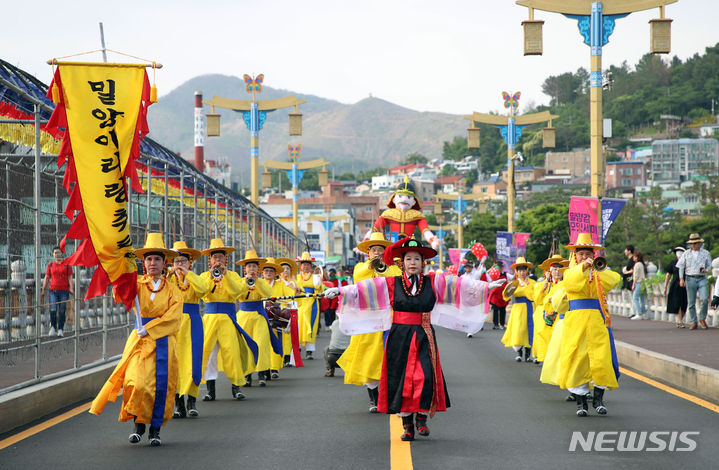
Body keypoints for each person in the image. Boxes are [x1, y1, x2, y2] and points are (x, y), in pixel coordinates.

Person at [326, 238, 505, 441]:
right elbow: (365, 289)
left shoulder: (433, 281)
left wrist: (486, 287)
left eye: (417, 259)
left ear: (423, 263)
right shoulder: (391, 283)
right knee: (402, 380)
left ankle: (421, 419)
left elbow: (458, 285)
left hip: (423, 334)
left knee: (425, 376)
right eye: (408, 258)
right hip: (399, 336)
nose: (413, 262)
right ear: (401, 263)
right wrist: (340, 291)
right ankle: (407, 425)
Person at [89, 233, 182, 446]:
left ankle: (155, 430)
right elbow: (120, 296)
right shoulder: (137, 283)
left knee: (159, 386)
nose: (152, 263)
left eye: (157, 259)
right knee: (137, 382)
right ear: (143, 262)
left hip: (163, 342)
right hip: (139, 341)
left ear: (164, 262)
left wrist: (149, 327)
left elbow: (174, 318)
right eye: (149, 259)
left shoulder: (173, 290)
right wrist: (122, 277)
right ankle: (138, 425)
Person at [336, 232, 401, 413]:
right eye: (374, 250)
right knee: (368, 359)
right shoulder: (360, 267)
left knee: (390, 357)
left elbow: (395, 281)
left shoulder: (394, 268)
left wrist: (384, 266)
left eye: (381, 250)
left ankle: (387, 396)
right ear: (368, 253)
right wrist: (374, 266)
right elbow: (360, 277)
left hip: (389, 318)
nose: (378, 253)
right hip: (367, 320)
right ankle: (373, 398)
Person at [558, 233, 621, 417]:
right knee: (578, 360)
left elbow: (614, 279)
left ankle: (599, 400)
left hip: (596, 320)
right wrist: (582, 269)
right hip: (576, 321)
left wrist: (596, 269)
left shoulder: (598, 272)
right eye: (581, 254)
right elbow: (570, 284)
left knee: (600, 358)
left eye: (588, 254)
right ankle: (581, 403)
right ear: (574, 256)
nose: (585, 257)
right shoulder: (570, 272)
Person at [199, 238, 258, 402]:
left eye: (220, 257)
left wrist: (225, 275)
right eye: (214, 257)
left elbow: (237, 292)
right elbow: (203, 292)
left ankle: (236, 387)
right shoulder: (204, 276)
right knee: (208, 354)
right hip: (210, 318)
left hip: (228, 318)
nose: (217, 260)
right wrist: (212, 277)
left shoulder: (233, 275)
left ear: (226, 259)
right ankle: (210, 390)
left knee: (231, 353)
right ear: (210, 260)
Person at [167, 241, 208, 419]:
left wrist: (188, 275)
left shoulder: (195, 278)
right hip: (173, 323)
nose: (180, 265)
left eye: (183, 261)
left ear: (189, 263)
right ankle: (178, 404)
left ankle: (191, 401)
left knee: (193, 361)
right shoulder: (168, 279)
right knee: (174, 363)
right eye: (176, 261)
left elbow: (204, 290)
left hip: (192, 322)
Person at [235, 249, 276, 387]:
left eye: (254, 266)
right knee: (246, 345)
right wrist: (246, 281)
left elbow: (268, 293)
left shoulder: (262, 282)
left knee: (261, 343)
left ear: (258, 269)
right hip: (243, 315)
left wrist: (257, 282)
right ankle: (247, 374)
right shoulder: (240, 281)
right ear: (245, 269)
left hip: (259, 316)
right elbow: (236, 294)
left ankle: (262, 373)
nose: (251, 269)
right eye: (249, 267)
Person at [262, 257, 296, 378]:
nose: (268, 273)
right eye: (266, 271)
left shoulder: (281, 285)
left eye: (271, 271)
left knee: (275, 341)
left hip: (275, 317)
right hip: (261, 316)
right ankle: (264, 367)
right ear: (262, 272)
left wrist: (295, 291)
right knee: (263, 342)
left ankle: (274, 368)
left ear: (275, 273)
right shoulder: (259, 284)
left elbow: (290, 296)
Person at [533, 255, 569, 364]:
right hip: (545, 315)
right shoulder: (543, 284)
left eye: (559, 270)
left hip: (560, 315)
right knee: (543, 337)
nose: (557, 272)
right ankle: (545, 358)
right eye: (554, 270)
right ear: (549, 271)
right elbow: (538, 301)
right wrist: (543, 290)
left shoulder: (566, 284)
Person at [500, 257, 536, 362]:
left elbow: (535, 295)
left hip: (529, 308)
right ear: (516, 271)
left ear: (527, 271)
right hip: (518, 309)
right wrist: (510, 290)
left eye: (524, 270)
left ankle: (528, 355)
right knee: (518, 330)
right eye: (520, 270)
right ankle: (519, 353)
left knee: (529, 330)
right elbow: (505, 296)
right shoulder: (514, 284)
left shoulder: (533, 283)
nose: (522, 272)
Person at [677, 233, 712, 330]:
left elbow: (709, 265)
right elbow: (681, 266)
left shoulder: (705, 253)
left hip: (701, 277)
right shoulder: (686, 253)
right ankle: (693, 321)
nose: (693, 245)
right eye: (692, 244)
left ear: (699, 244)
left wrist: (706, 270)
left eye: (695, 243)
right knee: (691, 301)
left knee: (704, 299)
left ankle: (702, 318)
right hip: (690, 277)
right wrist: (681, 278)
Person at [295, 251, 325, 359]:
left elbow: (319, 288)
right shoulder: (297, 277)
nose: (306, 266)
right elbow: (293, 289)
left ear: (311, 266)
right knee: (298, 325)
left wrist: (318, 282)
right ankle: (297, 348)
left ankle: (309, 350)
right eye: (304, 264)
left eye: (308, 264)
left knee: (311, 325)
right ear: (300, 266)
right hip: (300, 303)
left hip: (312, 303)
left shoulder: (315, 277)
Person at [41, 246, 74, 337]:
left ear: (62, 254)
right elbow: (47, 277)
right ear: (53, 254)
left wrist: (71, 288)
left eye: (58, 253)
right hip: (53, 291)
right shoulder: (50, 265)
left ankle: (60, 329)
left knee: (62, 310)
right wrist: (43, 288)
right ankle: (53, 327)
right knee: (53, 308)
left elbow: (70, 278)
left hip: (64, 291)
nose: (57, 255)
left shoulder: (67, 265)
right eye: (55, 253)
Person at [277, 257, 300, 367]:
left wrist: (296, 294)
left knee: (290, 333)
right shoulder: (277, 283)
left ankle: (287, 356)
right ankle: (280, 355)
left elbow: (296, 298)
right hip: (279, 310)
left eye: (287, 269)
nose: (285, 270)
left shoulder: (294, 283)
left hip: (290, 309)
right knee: (280, 333)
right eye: (283, 268)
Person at [664, 246, 687, 328]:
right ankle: (679, 321)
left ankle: (679, 320)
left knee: (684, 304)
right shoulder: (673, 262)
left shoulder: (687, 262)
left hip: (685, 284)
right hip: (675, 284)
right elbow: (668, 275)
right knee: (676, 303)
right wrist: (665, 286)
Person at [488, 262, 510, 330]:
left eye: (501, 266)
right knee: (495, 310)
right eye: (498, 266)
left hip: (503, 295)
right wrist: (492, 268)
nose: (499, 268)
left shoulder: (506, 274)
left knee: (503, 310)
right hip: (495, 296)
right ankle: (495, 324)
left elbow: (513, 277)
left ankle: (502, 324)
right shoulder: (492, 274)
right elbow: (486, 275)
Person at [630, 251, 647, 320]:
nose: (633, 258)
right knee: (642, 299)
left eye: (634, 257)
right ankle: (642, 313)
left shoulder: (637, 264)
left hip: (638, 283)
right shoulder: (641, 264)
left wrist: (633, 284)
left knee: (635, 298)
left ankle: (639, 313)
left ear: (636, 257)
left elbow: (636, 276)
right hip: (643, 283)